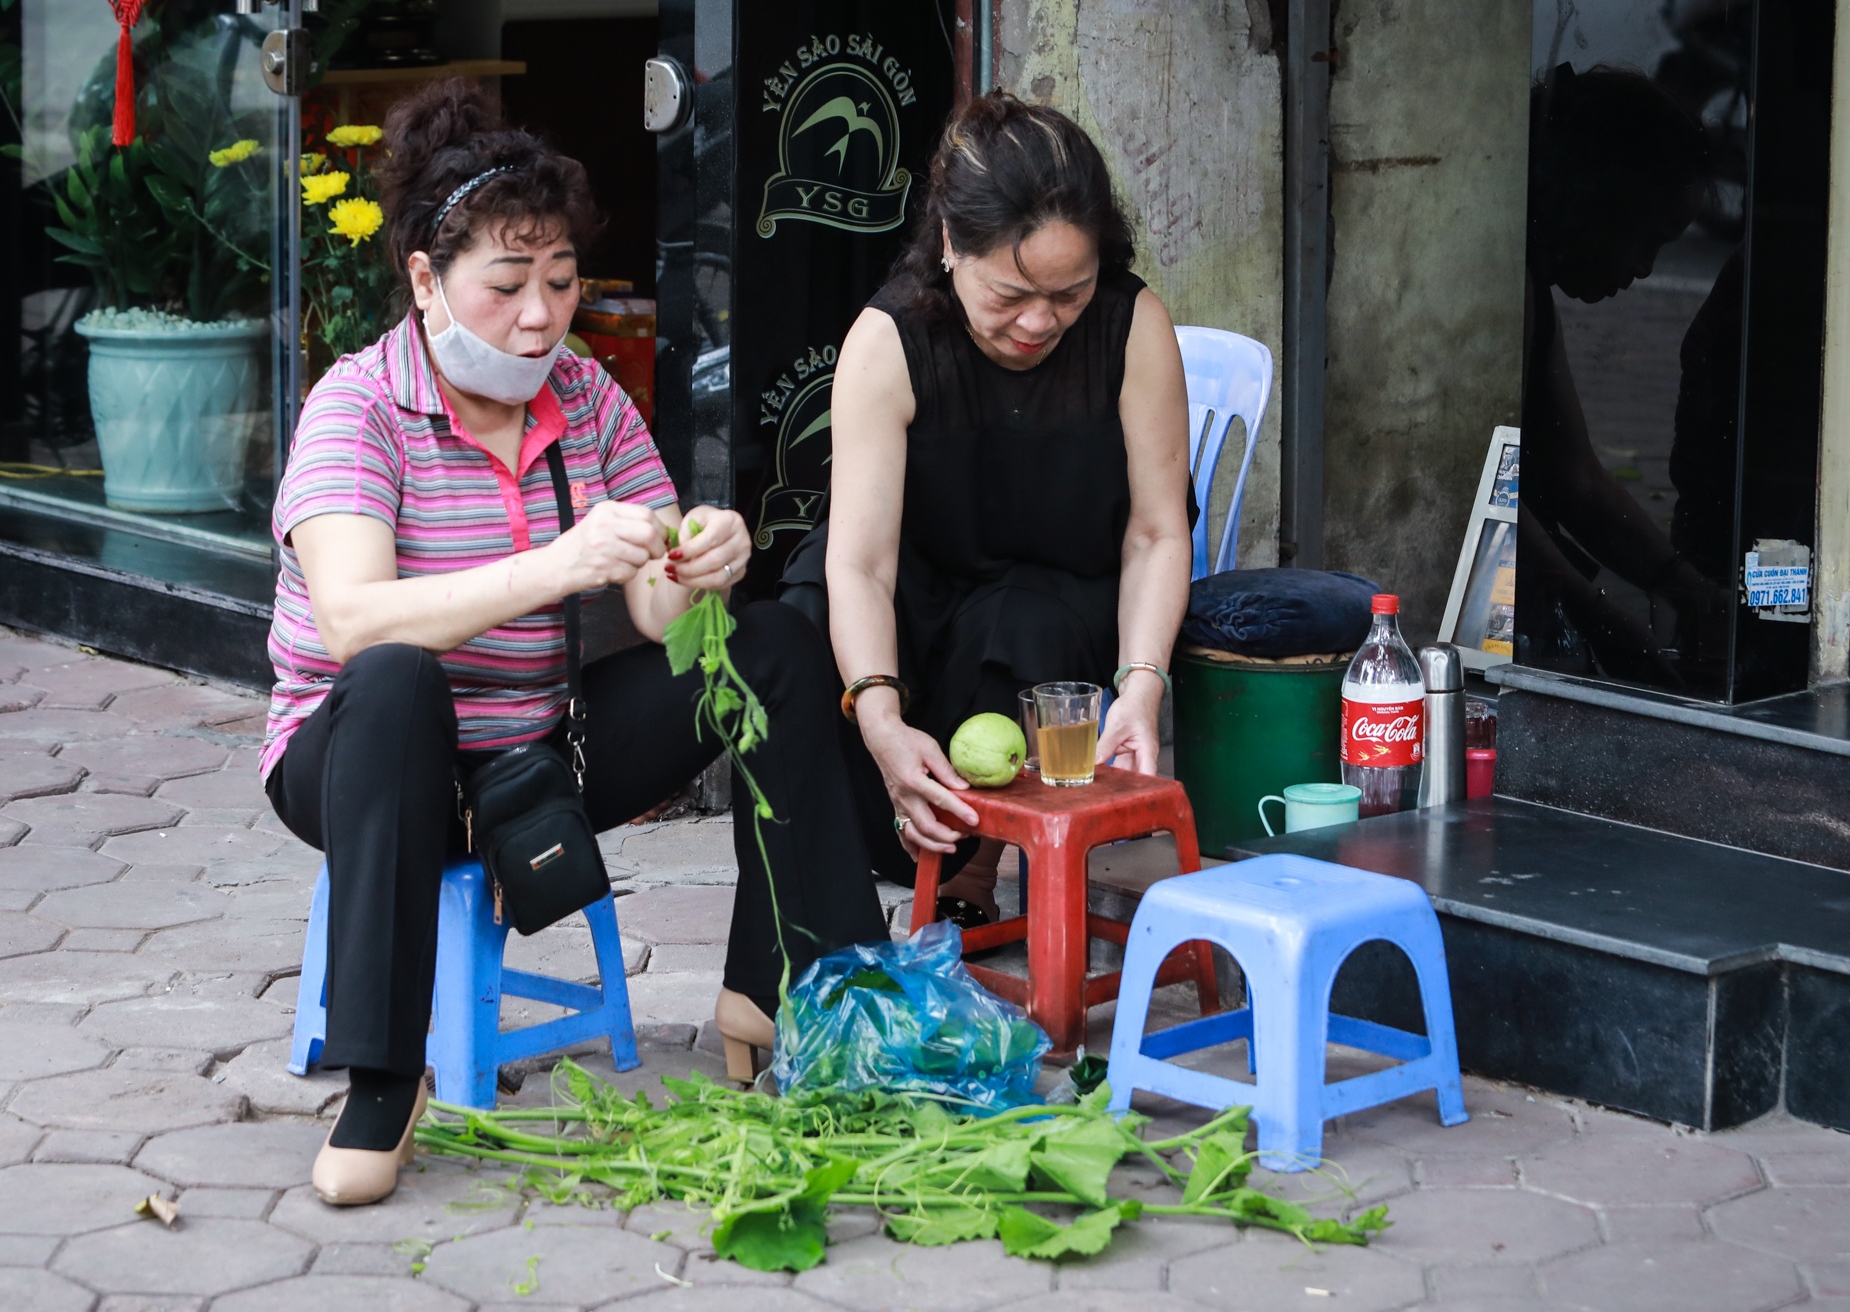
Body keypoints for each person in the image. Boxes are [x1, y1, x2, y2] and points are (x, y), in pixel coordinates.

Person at [262, 80, 885, 1207]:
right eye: (506, 288)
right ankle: (383, 1080)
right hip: (360, 761)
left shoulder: (587, 397)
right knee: (399, 680)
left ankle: (786, 987)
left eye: (559, 283)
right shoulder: (356, 409)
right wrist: (551, 570)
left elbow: (655, 613)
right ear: (424, 280)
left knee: (775, 647)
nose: (540, 317)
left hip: (545, 751)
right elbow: (351, 619)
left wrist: (700, 562)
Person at [779, 93, 1193, 921]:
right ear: (948, 245)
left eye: (1068, 293)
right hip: (917, 589)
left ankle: (972, 869)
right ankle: (817, 883)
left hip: (1061, 593)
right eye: (1010, 294)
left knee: (1021, 623)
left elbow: (1155, 531)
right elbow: (862, 561)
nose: (1040, 321)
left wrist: (1142, 685)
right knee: (798, 620)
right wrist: (879, 709)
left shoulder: (1130, 325)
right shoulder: (890, 340)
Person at [1518, 63, 1723, 688]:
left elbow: (1576, 478)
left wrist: (1684, 588)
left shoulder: (1533, 298)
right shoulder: (1510, 291)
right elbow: (1481, 498)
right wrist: (1604, 618)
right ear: (1598, 203)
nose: (1642, 269)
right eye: (1646, 239)